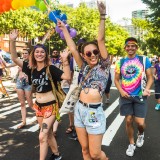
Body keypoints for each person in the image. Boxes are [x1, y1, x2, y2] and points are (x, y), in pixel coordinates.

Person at [58, 1, 110, 160]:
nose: (93, 55)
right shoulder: (84, 67)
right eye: (89, 53)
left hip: (94, 111)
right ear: (84, 56)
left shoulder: (104, 66)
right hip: (79, 109)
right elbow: (73, 48)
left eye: (95, 52)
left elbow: (100, 39)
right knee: (85, 151)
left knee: (95, 154)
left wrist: (102, 16)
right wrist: (64, 30)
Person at [9, 30, 71, 160]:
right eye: (37, 52)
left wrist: (65, 60)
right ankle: (57, 155)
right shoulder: (30, 68)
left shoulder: (51, 68)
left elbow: (67, 76)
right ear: (33, 54)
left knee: (42, 136)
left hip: (51, 107)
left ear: (45, 55)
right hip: (39, 107)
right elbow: (14, 58)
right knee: (47, 135)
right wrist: (12, 41)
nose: (39, 54)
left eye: (42, 52)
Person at [114, 37, 153, 157]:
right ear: (125, 47)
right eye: (128, 46)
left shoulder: (144, 59)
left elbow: (150, 77)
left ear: (136, 47)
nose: (130, 48)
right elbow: (116, 80)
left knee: (140, 123)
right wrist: (120, 91)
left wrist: (147, 89)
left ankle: (140, 134)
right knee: (129, 120)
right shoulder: (119, 62)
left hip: (140, 96)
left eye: (133, 45)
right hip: (126, 96)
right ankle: (131, 144)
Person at [15, 49, 33, 129]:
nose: (24, 54)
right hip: (19, 83)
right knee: (22, 104)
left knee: (30, 104)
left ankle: (42, 117)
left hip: (28, 84)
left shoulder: (32, 63)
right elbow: (9, 64)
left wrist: (29, 76)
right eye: (23, 53)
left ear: (29, 54)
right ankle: (23, 122)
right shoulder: (20, 62)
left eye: (26, 53)